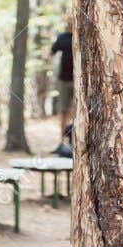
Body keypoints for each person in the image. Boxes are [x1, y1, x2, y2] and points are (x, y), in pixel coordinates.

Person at [51, 17, 73, 152]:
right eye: (68, 21)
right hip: (63, 80)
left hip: (78, 81)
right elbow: (51, 52)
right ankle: (61, 143)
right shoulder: (62, 37)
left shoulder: (82, 35)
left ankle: (74, 140)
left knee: (76, 111)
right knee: (64, 111)